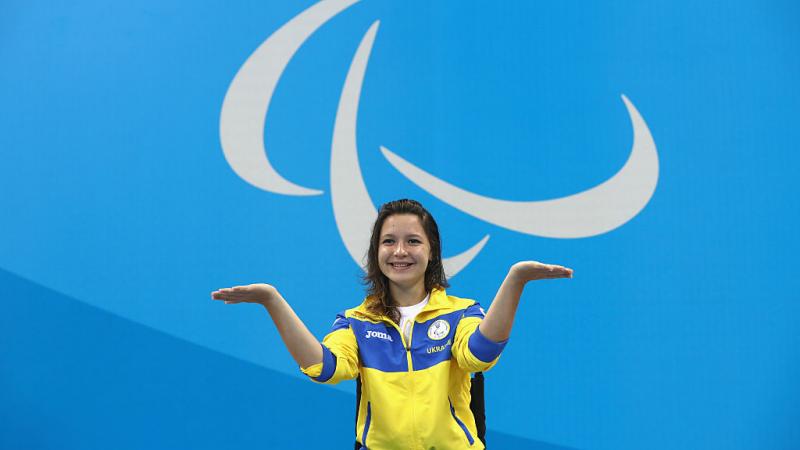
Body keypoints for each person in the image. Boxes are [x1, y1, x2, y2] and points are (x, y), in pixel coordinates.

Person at [211, 199, 572, 449]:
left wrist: (516, 280)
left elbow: (480, 355)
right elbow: (325, 368)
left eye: (413, 241)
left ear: (432, 251)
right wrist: (271, 300)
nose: (400, 252)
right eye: (389, 242)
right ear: (376, 252)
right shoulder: (355, 322)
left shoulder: (462, 312)